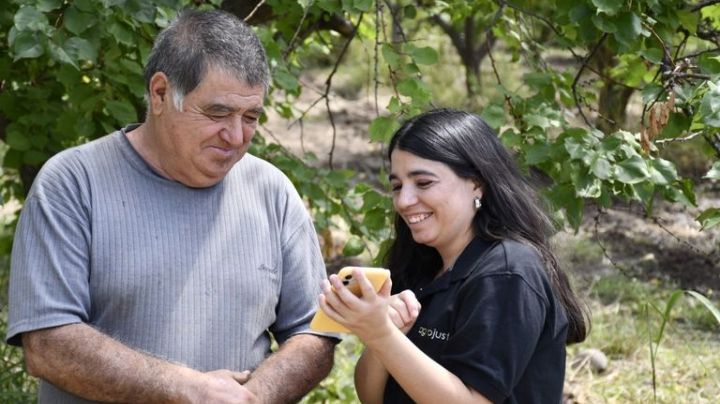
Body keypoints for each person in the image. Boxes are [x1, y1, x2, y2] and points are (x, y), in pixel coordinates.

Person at [5, 9, 337, 403]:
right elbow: (48, 344)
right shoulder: (73, 183)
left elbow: (314, 332)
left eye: (250, 117)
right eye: (217, 113)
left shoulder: (272, 191)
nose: (235, 136)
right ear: (160, 93)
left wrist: (253, 398)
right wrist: (187, 390)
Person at [319, 108, 588, 403]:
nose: (404, 201)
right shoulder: (421, 266)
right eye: (397, 186)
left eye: (423, 183)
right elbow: (372, 398)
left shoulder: (507, 273)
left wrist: (382, 334)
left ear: (477, 183)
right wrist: (382, 334)